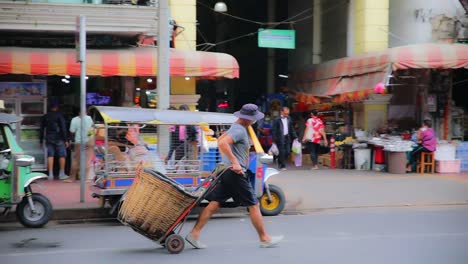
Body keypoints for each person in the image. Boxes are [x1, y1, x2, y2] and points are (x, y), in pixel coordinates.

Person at [186, 103, 283, 249]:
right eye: (253, 118)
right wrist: (235, 162)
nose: (254, 121)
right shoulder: (239, 130)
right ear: (247, 118)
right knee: (253, 204)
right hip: (234, 172)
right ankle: (264, 238)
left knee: (214, 204)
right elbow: (224, 143)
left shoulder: (236, 127)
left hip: (227, 171)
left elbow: (220, 141)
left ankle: (194, 234)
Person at [39, 101, 69, 180]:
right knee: (62, 155)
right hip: (59, 138)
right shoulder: (60, 115)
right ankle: (61, 173)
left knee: (50, 155)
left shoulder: (45, 116)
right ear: (57, 107)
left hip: (49, 138)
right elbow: (63, 128)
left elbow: (42, 129)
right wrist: (66, 140)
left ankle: (50, 174)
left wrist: (41, 141)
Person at [67, 109, 94, 183]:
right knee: (87, 160)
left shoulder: (74, 120)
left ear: (79, 112)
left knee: (76, 160)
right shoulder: (89, 118)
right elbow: (91, 130)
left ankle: (72, 178)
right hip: (89, 142)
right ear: (86, 112)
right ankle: (86, 179)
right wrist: (88, 137)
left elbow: (72, 131)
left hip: (79, 142)